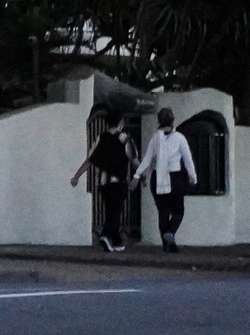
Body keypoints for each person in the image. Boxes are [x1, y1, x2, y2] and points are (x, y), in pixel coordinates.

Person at [69, 110, 135, 252]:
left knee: (111, 210)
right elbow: (133, 159)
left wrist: (76, 176)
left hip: (103, 183)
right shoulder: (124, 139)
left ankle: (117, 242)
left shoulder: (100, 137)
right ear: (120, 123)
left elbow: (90, 160)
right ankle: (105, 236)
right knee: (116, 212)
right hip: (119, 181)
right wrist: (140, 176)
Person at [137, 107, 200, 252]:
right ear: (173, 121)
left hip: (158, 177)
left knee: (163, 211)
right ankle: (170, 233)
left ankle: (167, 245)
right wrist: (193, 178)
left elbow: (147, 159)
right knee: (178, 211)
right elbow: (188, 160)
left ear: (158, 121)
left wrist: (137, 175)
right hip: (175, 177)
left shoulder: (155, 138)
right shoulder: (179, 138)